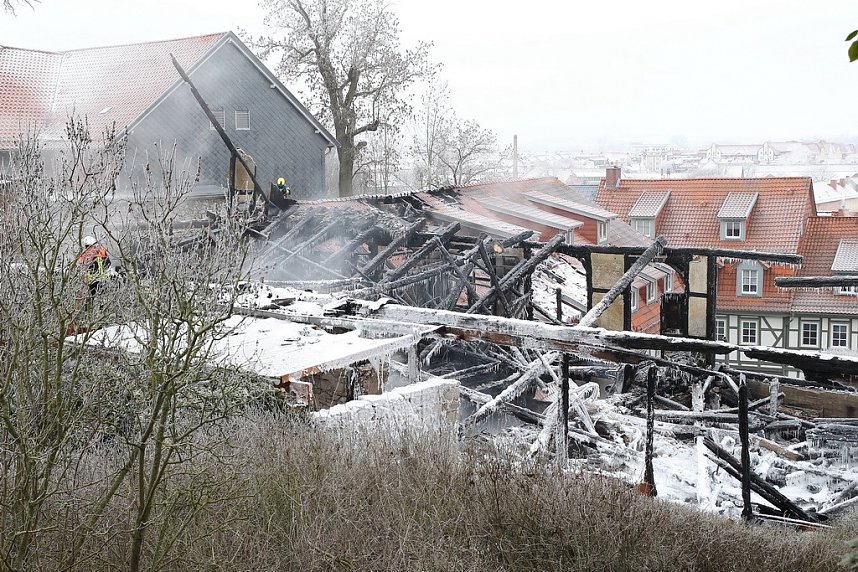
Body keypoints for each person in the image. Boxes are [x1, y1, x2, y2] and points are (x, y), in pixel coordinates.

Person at [78, 235, 111, 300]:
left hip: (91, 281)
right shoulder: (102, 251)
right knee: (104, 298)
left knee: (92, 299)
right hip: (103, 279)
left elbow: (81, 267)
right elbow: (109, 264)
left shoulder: (84, 254)